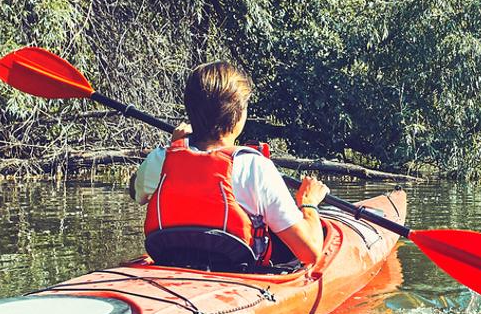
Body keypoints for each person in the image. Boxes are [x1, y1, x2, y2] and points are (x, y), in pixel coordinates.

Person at [129, 61, 331, 270]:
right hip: (238, 277)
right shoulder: (255, 167)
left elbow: (135, 191)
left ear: (190, 109)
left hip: (171, 268)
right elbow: (310, 253)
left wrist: (174, 149)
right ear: (239, 114)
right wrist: (308, 203)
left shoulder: (160, 159)